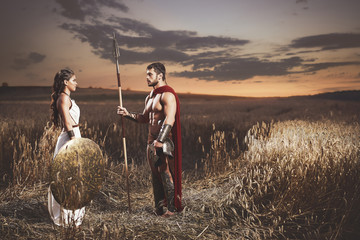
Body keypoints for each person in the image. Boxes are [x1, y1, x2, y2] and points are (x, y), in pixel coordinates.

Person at [117, 62, 182, 217]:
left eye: (150, 74)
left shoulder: (168, 95)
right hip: (150, 140)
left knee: (165, 171)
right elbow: (144, 118)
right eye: (146, 74)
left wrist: (160, 140)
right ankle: (159, 208)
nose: (146, 78)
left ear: (160, 76)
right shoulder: (150, 97)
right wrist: (127, 114)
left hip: (164, 140)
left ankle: (172, 209)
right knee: (155, 173)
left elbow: (170, 118)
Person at [48, 68, 85, 227]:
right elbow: (67, 122)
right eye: (74, 80)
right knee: (67, 177)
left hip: (74, 135)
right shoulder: (63, 98)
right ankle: (65, 217)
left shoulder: (66, 98)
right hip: (69, 139)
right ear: (65, 82)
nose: (76, 83)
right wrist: (74, 142)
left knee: (74, 177)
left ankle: (72, 215)